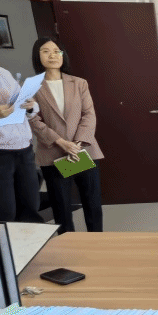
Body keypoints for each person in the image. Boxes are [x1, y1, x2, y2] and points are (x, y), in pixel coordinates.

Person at [28, 37, 104, 233]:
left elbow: (89, 114)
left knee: (93, 205)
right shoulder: (31, 86)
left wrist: (76, 144)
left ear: (63, 55)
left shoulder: (79, 83)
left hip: (83, 151)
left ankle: (97, 243)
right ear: (37, 56)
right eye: (46, 51)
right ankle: (67, 246)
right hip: (52, 153)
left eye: (57, 51)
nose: (52, 55)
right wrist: (61, 142)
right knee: (61, 209)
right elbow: (33, 119)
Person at [0, 23, 43, 223]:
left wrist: (30, 106)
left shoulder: (1, 73)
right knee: (3, 213)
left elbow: (25, 107)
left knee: (30, 209)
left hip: (23, 149)